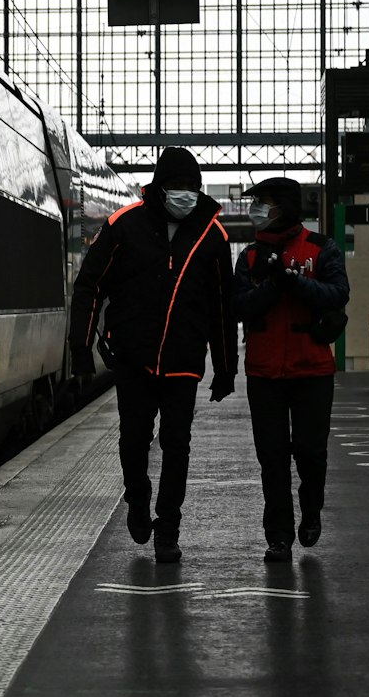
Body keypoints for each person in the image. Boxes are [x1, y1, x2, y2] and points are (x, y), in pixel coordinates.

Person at [69, 147, 237, 564]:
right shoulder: (124, 226)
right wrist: (81, 347)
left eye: (192, 188)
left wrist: (226, 368)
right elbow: (90, 284)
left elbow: (221, 307)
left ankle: (169, 529)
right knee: (134, 439)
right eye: (177, 188)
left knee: (177, 445)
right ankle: (138, 496)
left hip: (183, 361)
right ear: (159, 188)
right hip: (133, 357)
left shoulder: (212, 236)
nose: (186, 195)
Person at [231, 177, 351, 562]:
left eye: (264, 202)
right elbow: (239, 307)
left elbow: (338, 293)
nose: (256, 210)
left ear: (283, 206)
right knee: (272, 456)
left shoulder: (321, 248)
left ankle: (311, 510)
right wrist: (271, 286)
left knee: (311, 451)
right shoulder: (249, 257)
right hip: (264, 373)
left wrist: (294, 282)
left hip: (312, 370)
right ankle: (279, 535)